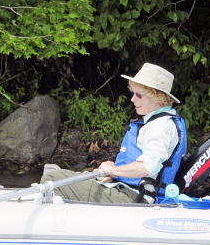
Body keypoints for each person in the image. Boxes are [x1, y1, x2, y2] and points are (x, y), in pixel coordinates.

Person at [42, 63, 187, 203]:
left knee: (53, 179)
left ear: (157, 98)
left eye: (139, 95)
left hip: (133, 197)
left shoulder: (158, 126)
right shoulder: (164, 121)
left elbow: (147, 167)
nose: (132, 99)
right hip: (131, 190)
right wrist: (114, 173)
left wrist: (112, 170)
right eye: (133, 93)